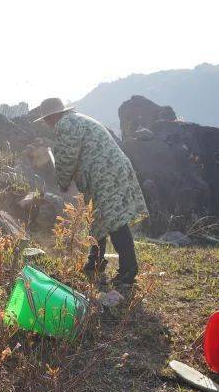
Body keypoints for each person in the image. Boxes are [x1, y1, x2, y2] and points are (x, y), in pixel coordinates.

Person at [32, 97, 148, 293]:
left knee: (115, 221)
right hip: (107, 172)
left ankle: (128, 272)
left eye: (46, 120)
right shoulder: (76, 119)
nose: (46, 124)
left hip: (106, 174)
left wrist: (62, 181)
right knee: (98, 218)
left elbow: (67, 157)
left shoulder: (66, 124)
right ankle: (95, 262)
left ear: (52, 117)